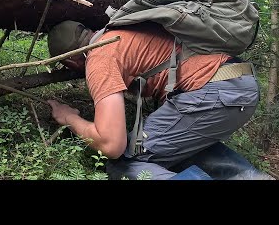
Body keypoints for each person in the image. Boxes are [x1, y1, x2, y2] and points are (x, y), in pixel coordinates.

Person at [46, 20, 260, 180]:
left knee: (125, 162)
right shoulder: (122, 32)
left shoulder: (99, 57)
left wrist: (68, 119)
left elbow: (112, 144)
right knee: (169, 146)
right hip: (239, 84)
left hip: (212, 92)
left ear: (71, 62)